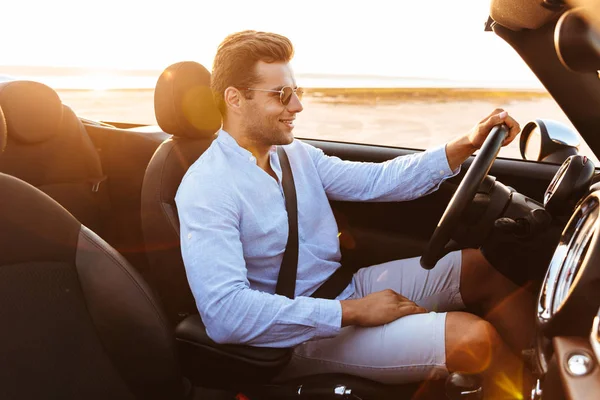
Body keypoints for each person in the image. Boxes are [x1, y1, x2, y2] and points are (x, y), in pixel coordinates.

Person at [176, 30, 533, 398]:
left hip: (343, 289)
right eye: (282, 95)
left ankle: (550, 373)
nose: (297, 106)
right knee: (474, 338)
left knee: (481, 269)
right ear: (235, 99)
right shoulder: (207, 187)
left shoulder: (294, 155)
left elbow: (376, 181)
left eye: (298, 92)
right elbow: (226, 314)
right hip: (297, 335)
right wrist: (352, 312)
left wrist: (466, 144)